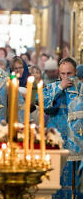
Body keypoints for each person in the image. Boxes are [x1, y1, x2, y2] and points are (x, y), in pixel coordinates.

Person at [42, 57, 83, 198]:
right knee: (56, 179)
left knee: (74, 181)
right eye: (63, 74)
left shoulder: (81, 89)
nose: (66, 77)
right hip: (57, 142)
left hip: (76, 143)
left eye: (69, 73)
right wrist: (60, 88)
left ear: (75, 72)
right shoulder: (53, 87)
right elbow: (44, 104)